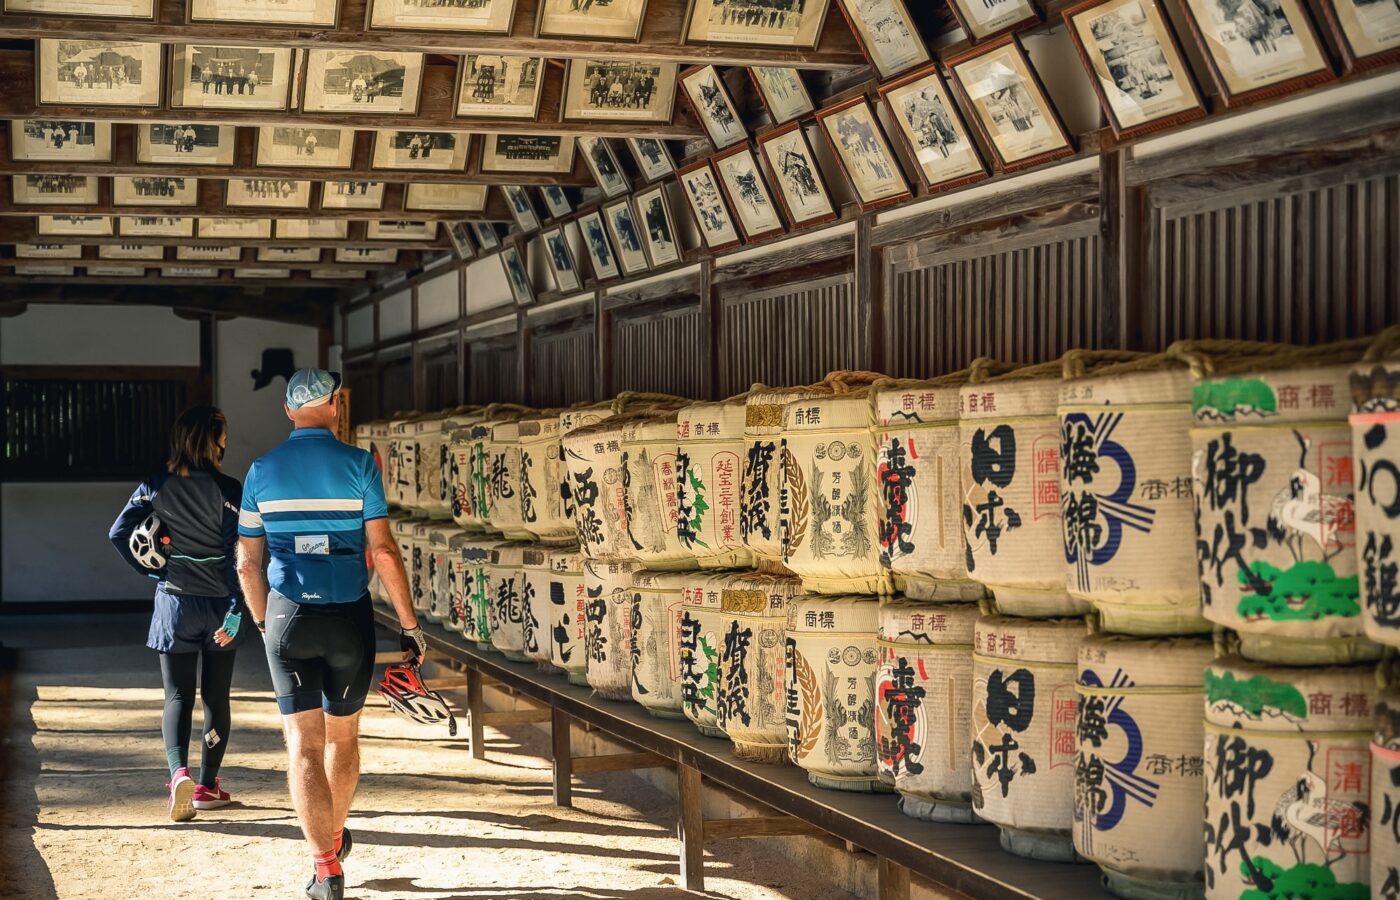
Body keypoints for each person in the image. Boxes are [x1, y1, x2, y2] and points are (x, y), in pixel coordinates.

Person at [235, 369, 423, 900]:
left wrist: (261, 622)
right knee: (343, 737)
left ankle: (325, 868)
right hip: (350, 618)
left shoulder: (261, 471)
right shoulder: (360, 464)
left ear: (288, 410)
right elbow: (383, 553)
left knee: (302, 745)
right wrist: (410, 627)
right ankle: (335, 834)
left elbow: (248, 563)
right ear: (336, 404)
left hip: (287, 616)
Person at [108, 406, 246, 823]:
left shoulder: (155, 485)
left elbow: (118, 533)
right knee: (216, 697)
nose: (227, 439)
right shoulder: (230, 489)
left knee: (178, 696)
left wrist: (154, 568)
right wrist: (239, 610)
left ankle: (178, 773)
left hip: (175, 605)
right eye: (224, 433)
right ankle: (207, 785)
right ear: (214, 437)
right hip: (221, 608)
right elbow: (242, 555)